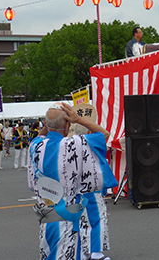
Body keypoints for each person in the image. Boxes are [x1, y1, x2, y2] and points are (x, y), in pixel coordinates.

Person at [28, 102, 117, 260]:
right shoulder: (73, 144)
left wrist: (50, 122)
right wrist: (78, 119)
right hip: (67, 216)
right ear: (68, 124)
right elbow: (103, 134)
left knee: (49, 254)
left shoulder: (35, 146)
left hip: (46, 217)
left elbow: (41, 135)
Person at [72, 105, 113, 260]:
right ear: (89, 131)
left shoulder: (68, 142)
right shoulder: (89, 140)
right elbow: (105, 133)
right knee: (97, 219)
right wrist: (81, 120)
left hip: (74, 188)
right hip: (91, 187)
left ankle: (83, 252)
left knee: (80, 221)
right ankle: (96, 252)